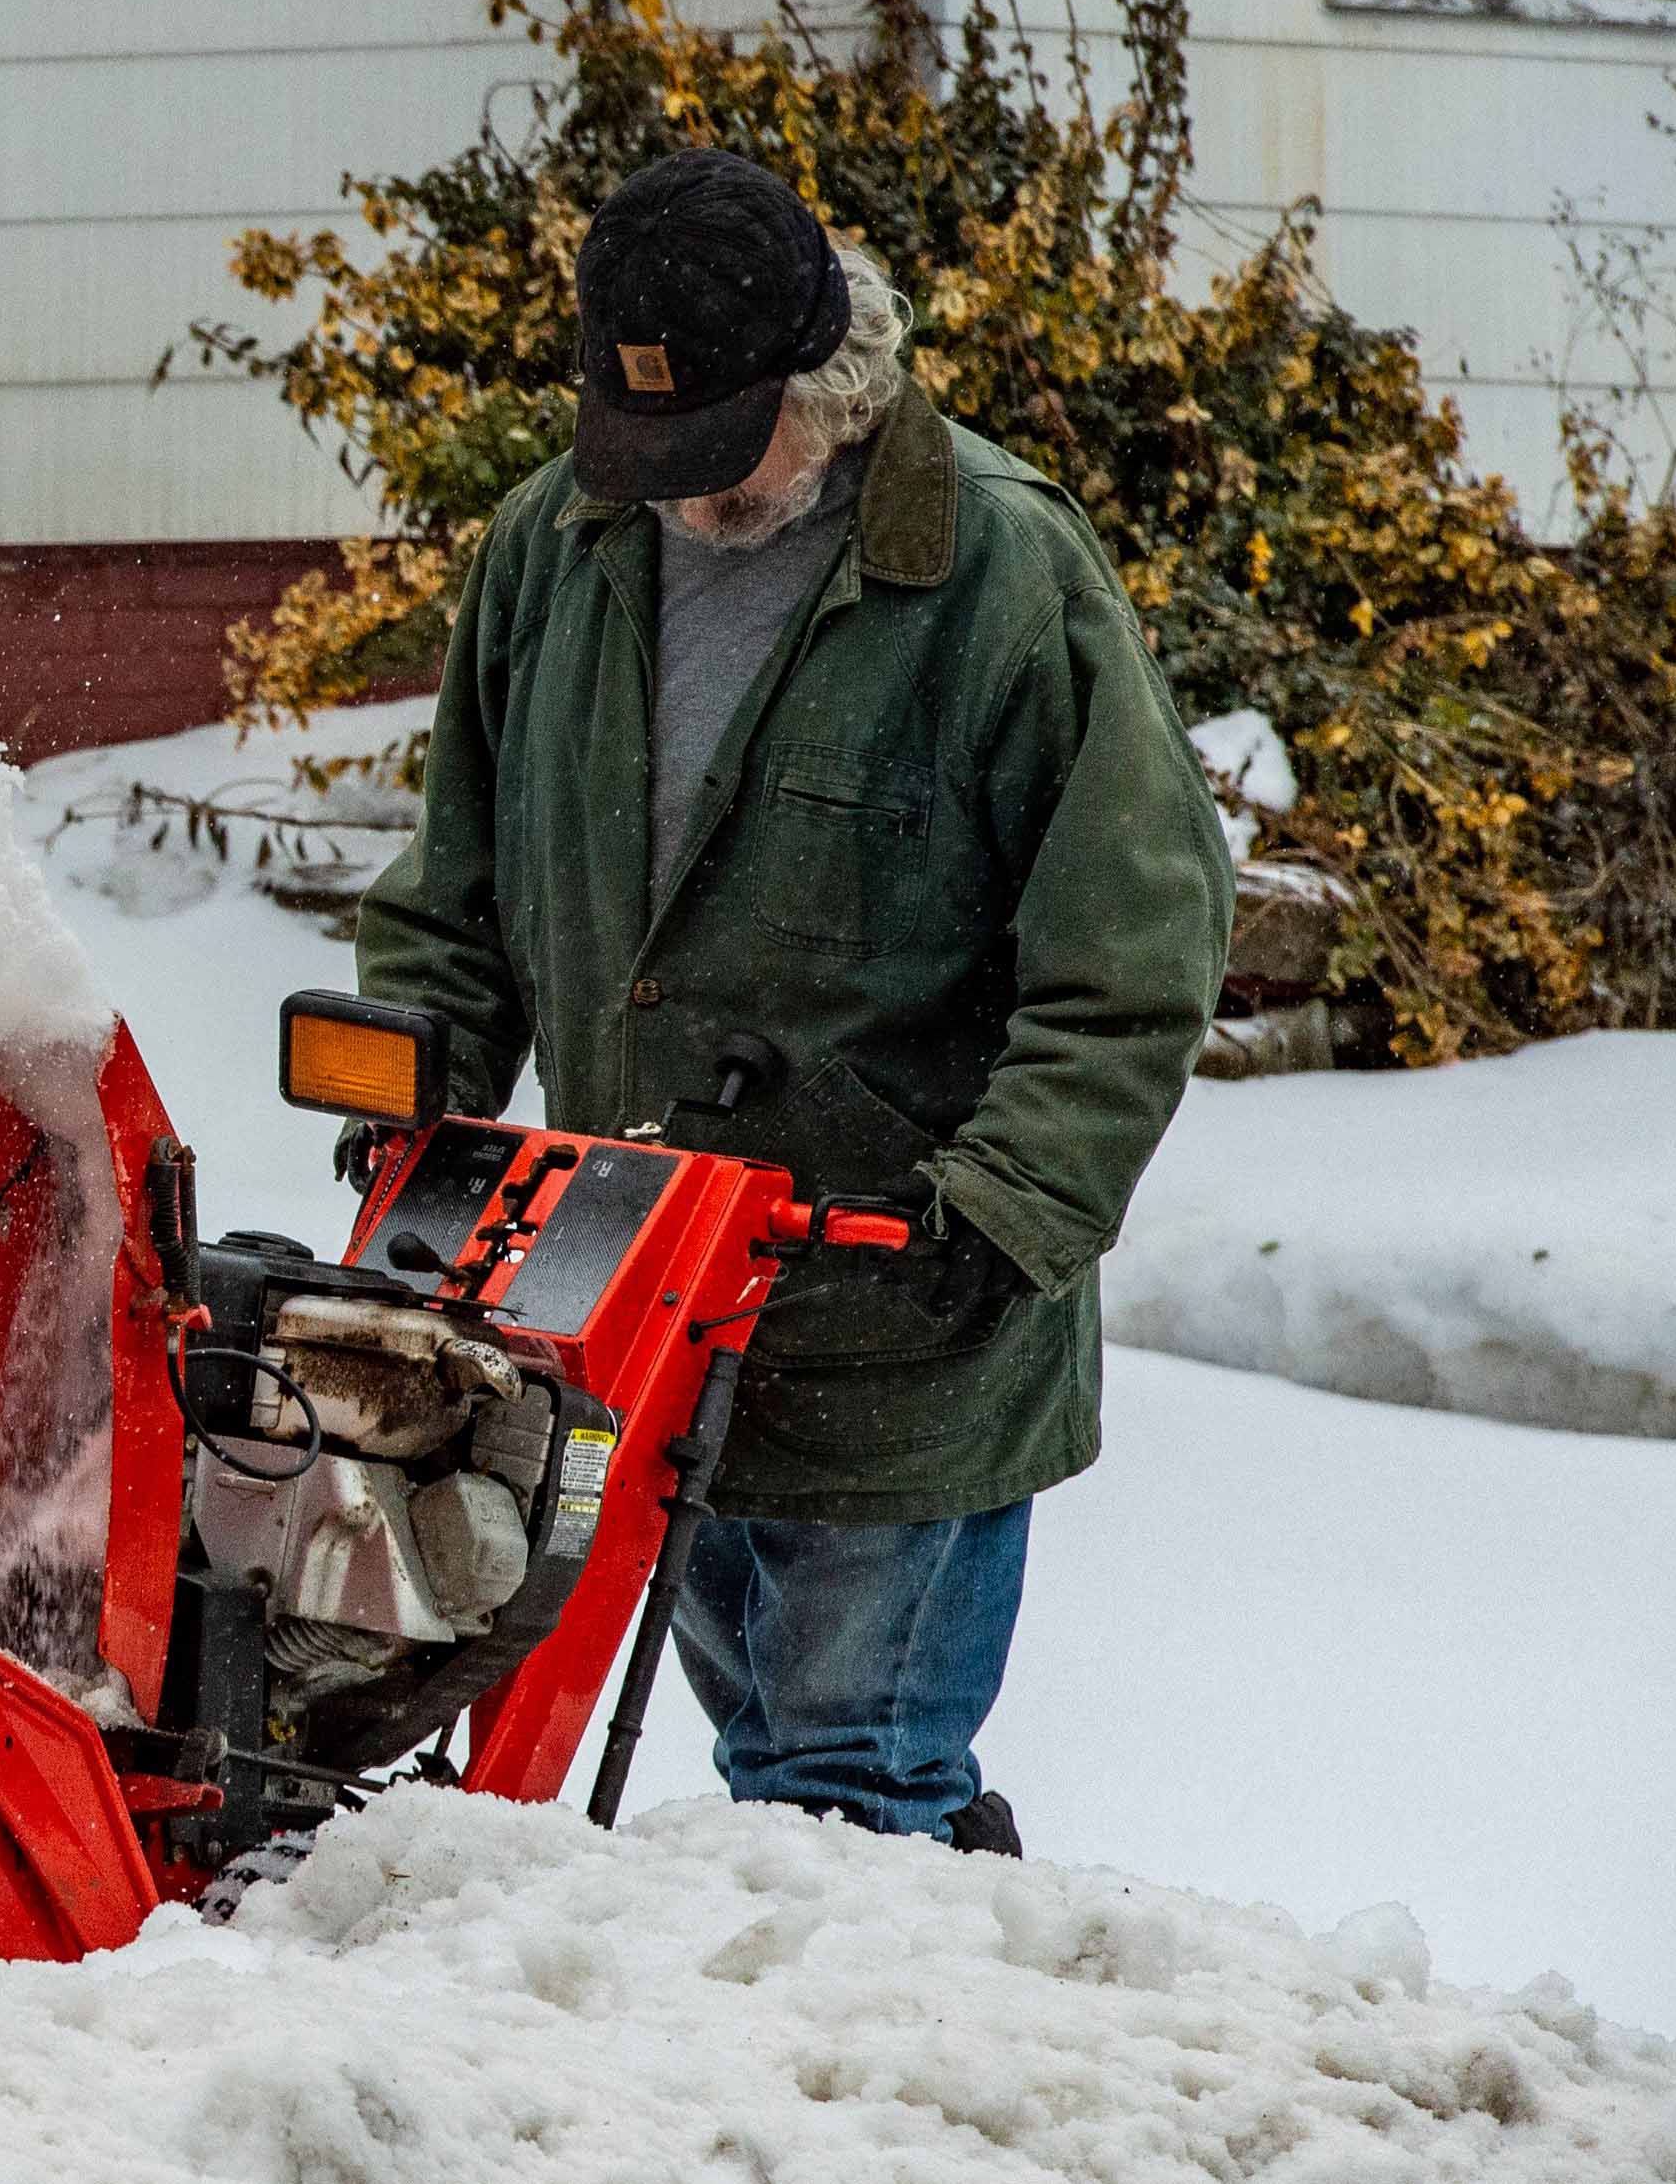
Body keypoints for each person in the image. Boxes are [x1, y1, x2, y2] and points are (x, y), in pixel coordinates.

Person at [353, 147, 1230, 1854]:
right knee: (771, 1782)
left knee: (847, 1794)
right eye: (642, 448)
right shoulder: (560, 544)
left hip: (898, 1310)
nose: (675, 493)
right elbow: (458, 878)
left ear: (826, 387)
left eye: (709, 453)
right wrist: (420, 1074)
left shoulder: (992, 572)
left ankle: (903, 2080)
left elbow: (1137, 946)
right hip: (626, 1297)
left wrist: (1011, 1203)